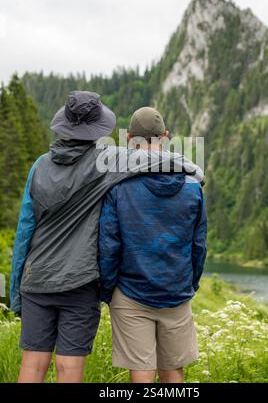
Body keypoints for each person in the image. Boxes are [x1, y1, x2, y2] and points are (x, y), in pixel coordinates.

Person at [10, 92, 204, 383]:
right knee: (68, 366)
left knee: (32, 364)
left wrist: (16, 291)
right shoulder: (107, 163)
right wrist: (192, 168)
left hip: (36, 279)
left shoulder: (39, 165)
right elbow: (151, 161)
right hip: (80, 282)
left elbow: (25, 231)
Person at [99, 107, 207, 384]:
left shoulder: (118, 188)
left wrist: (108, 289)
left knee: (142, 372)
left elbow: (109, 246)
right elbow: (198, 245)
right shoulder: (193, 189)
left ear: (130, 139)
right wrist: (189, 284)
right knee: (173, 371)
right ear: (166, 136)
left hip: (130, 293)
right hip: (176, 292)